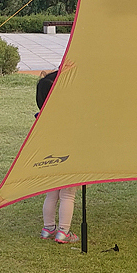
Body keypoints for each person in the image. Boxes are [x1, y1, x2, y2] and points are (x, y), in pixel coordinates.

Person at [36, 70, 78, 244]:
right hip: (68, 158)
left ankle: (48, 228)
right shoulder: (69, 118)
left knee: (51, 194)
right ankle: (63, 232)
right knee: (68, 195)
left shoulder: (41, 118)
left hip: (48, 158)